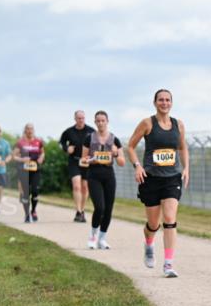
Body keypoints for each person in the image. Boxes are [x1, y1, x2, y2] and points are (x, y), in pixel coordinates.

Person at [127, 89, 189, 277]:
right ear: (155, 103)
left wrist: (186, 168)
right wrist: (137, 166)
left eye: (168, 100)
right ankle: (149, 243)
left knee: (169, 219)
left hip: (172, 177)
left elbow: (182, 147)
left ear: (172, 103)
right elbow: (130, 146)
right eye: (161, 100)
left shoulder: (178, 124)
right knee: (153, 224)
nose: (164, 103)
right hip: (151, 178)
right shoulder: (147, 123)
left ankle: (168, 264)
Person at [82, 110, 125, 249]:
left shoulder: (114, 140)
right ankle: (93, 236)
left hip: (108, 175)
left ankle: (102, 238)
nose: (100, 123)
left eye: (103, 120)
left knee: (108, 209)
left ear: (107, 121)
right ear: (95, 122)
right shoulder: (89, 138)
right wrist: (90, 159)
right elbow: (83, 160)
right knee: (99, 207)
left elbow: (122, 162)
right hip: (94, 175)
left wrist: (116, 152)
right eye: (98, 121)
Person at [59, 110, 95, 222]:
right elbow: (61, 142)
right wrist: (66, 148)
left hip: (86, 162)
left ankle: (82, 210)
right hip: (74, 162)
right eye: (79, 118)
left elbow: (97, 144)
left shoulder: (91, 131)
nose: (81, 120)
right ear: (75, 119)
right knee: (76, 186)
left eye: (83, 118)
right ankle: (78, 211)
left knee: (85, 187)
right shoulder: (69, 132)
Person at [14, 123, 45, 223]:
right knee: (26, 193)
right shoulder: (20, 143)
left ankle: (33, 211)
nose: (30, 130)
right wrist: (22, 159)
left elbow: (42, 152)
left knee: (35, 190)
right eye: (28, 129)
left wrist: (41, 158)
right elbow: (14, 156)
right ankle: (27, 214)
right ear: (25, 130)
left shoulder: (38, 142)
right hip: (24, 171)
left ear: (33, 130)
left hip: (35, 169)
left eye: (31, 129)